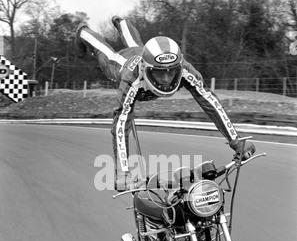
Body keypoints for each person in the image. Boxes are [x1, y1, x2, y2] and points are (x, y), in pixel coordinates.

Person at [74, 16, 255, 191]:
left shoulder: (184, 68)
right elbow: (121, 125)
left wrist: (236, 140)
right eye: (160, 73)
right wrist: (123, 171)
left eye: (171, 72)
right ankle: (83, 31)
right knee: (106, 53)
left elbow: (208, 100)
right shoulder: (131, 79)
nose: (167, 79)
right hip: (123, 64)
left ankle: (121, 22)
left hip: (145, 55)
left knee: (137, 45)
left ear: (179, 65)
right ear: (145, 70)